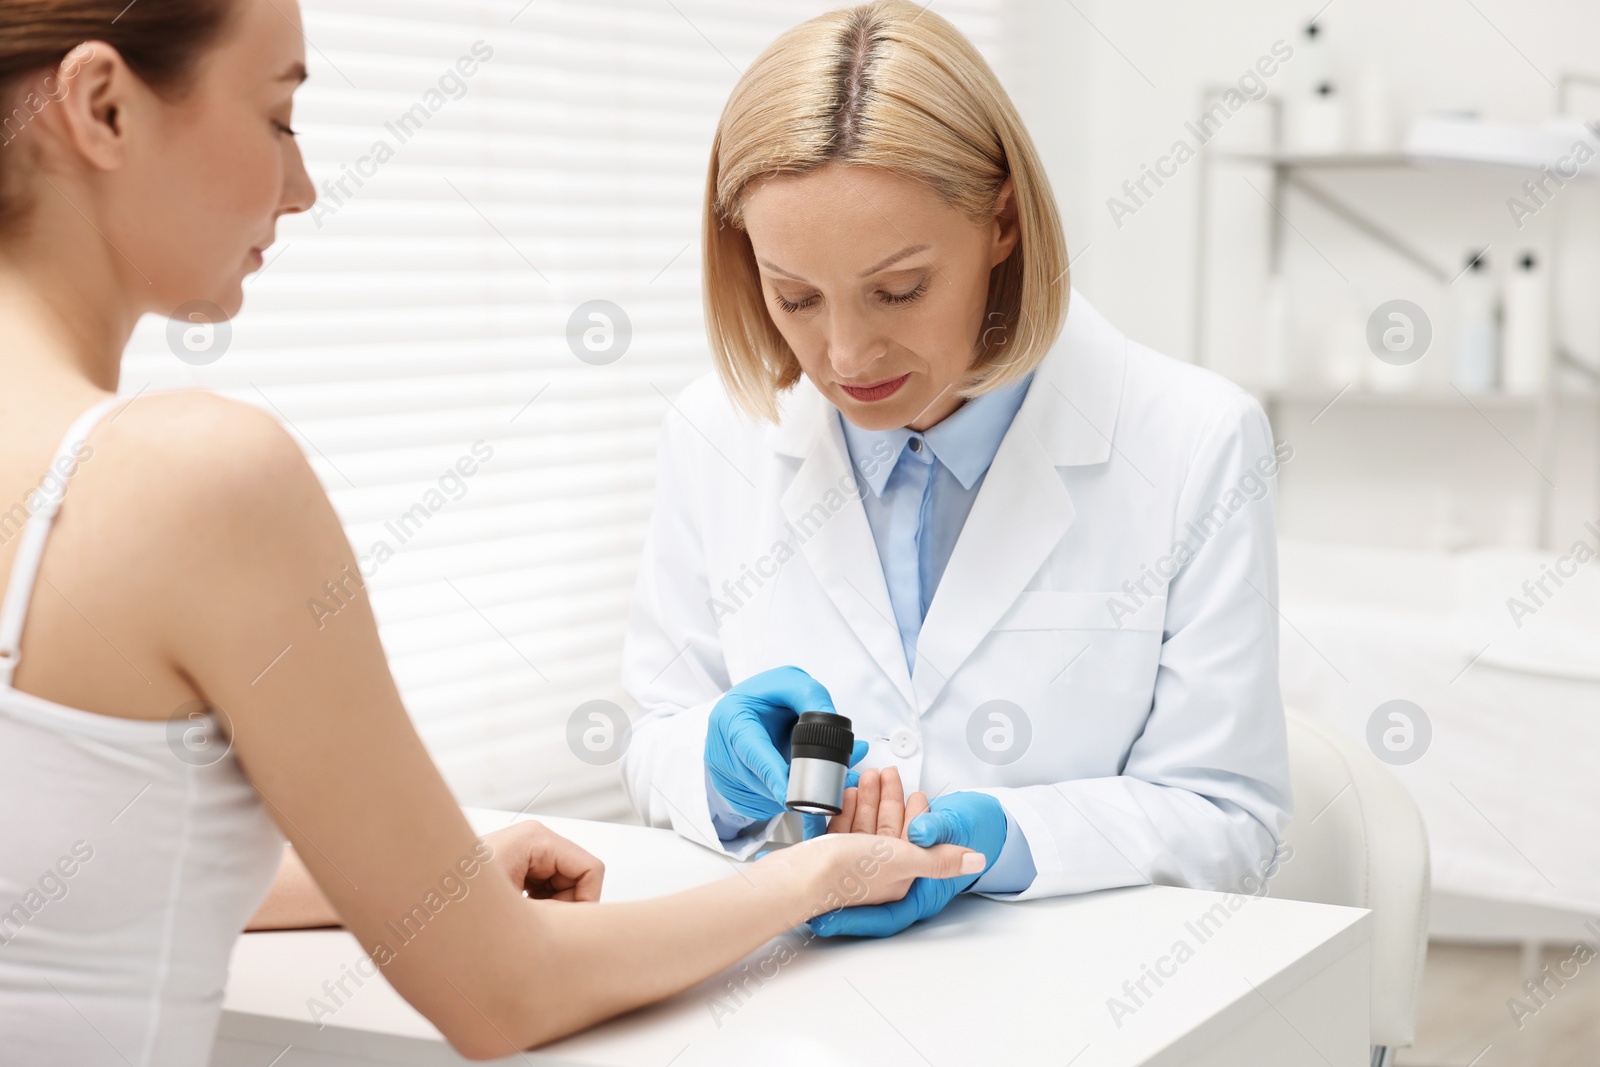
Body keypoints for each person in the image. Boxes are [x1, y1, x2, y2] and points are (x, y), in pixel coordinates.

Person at [0, 1, 984, 1062]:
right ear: (103, 106)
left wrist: (430, 874)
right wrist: (812, 874)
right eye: (279, 117)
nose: (303, 186)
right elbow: (505, 991)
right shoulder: (193, 478)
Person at [620, 0, 1294, 937]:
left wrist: (1005, 841)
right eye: (797, 297)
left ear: (1004, 223)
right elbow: (653, 735)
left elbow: (1227, 818)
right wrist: (719, 767)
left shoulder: (1195, 442)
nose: (847, 354)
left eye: (899, 289)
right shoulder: (713, 433)